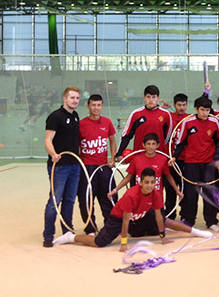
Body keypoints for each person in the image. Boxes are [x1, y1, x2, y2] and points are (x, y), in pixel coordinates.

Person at [52, 168, 212, 250]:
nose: (149, 185)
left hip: (141, 216)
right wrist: (123, 243)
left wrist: (163, 236)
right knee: (100, 243)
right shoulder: (131, 195)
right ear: (140, 182)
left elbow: (158, 216)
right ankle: (71, 237)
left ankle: (196, 232)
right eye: (146, 182)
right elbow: (125, 221)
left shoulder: (155, 193)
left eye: (152, 182)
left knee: (165, 221)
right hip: (121, 218)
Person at [170, 96, 219, 231]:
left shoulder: (214, 122)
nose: (205, 113)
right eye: (202, 110)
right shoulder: (187, 122)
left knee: (209, 193)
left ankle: (211, 221)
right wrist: (174, 157)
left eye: (207, 110)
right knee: (190, 193)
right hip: (192, 163)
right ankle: (188, 220)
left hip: (209, 163)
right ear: (196, 109)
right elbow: (180, 143)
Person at [43, 86, 82, 247]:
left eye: (77, 98)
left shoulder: (76, 116)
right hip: (59, 167)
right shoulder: (55, 117)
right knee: (55, 200)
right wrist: (53, 154)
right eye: (72, 98)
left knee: (70, 200)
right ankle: (48, 236)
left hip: (74, 165)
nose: (75, 101)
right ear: (64, 99)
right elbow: (48, 140)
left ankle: (67, 231)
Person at [77, 94, 117, 236]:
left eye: (99, 105)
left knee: (109, 197)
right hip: (87, 168)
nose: (96, 108)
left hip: (104, 167)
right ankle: (90, 228)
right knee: (86, 199)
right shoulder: (81, 124)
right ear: (88, 106)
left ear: (102, 106)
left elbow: (112, 140)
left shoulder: (107, 122)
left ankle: (110, 227)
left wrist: (112, 158)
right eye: (93, 105)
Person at [108, 133, 182, 202]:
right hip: (140, 198)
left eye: (153, 144)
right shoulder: (136, 159)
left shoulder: (163, 159)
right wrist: (115, 190)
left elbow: (169, 177)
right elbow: (128, 177)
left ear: (158, 145)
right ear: (144, 145)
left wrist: (177, 191)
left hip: (156, 198)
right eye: (148, 144)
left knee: (157, 215)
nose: (150, 146)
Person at [115, 85, 172, 160]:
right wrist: (119, 153)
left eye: (154, 97)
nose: (151, 100)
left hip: (159, 157)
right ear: (144, 98)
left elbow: (167, 138)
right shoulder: (136, 114)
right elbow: (126, 136)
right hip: (139, 157)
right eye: (148, 97)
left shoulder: (166, 115)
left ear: (158, 98)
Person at [165, 93, 189, 220]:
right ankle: (169, 216)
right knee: (170, 189)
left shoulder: (189, 119)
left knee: (185, 189)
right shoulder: (168, 117)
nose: (182, 107)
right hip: (170, 160)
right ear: (174, 105)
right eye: (179, 105)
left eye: (184, 105)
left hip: (185, 160)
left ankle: (185, 216)